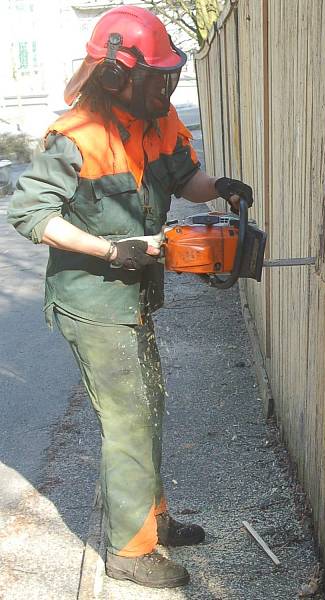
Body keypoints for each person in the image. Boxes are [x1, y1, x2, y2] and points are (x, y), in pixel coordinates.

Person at [7, 6, 253, 589]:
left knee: (151, 406)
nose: (166, 88)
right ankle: (130, 549)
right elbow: (29, 214)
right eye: (157, 77)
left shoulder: (157, 121)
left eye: (170, 77)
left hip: (135, 297)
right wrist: (109, 250)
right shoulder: (76, 138)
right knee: (129, 420)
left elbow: (181, 178)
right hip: (93, 303)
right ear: (119, 76)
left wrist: (218, 189)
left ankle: (152, 519)